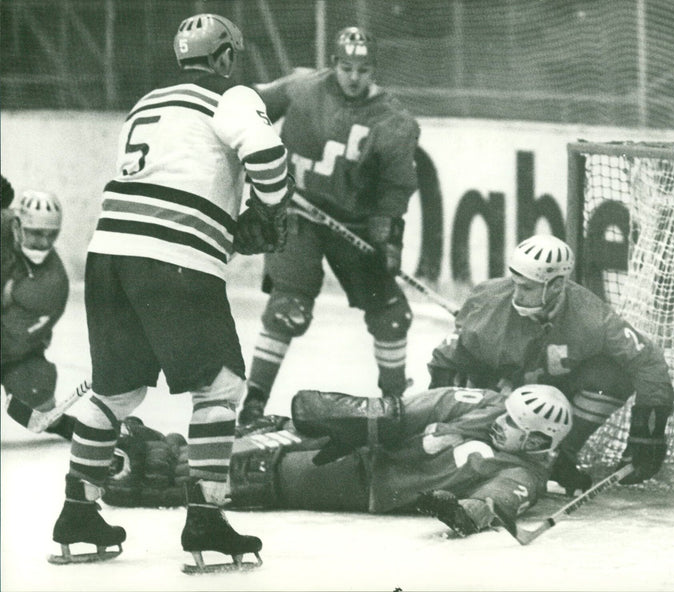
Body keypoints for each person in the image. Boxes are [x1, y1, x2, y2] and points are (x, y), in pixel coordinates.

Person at [48, 13, 292, 573]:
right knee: (221, 386)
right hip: (172, 259)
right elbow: (268, 157)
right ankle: (206, 519)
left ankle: (77, 513)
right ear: (226, 56)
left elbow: (171, 178)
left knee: (114, 393)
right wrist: (272, 206)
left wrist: (229, 222)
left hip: (108, 252)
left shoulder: (148, 101)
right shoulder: (232, 96)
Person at [237, 26, 420, 426]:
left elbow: (395, 189)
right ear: (334, 63)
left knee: (391, 315)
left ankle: (394, 405)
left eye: (364, 69)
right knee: (290, 308)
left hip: (350, 223)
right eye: (347, 67)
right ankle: (253, 401)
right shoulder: (302, 87)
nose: (354, 78)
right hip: (294, 215)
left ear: (375, 70)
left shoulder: (394, 121)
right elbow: (246, 108)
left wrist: (388, 240)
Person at [103, 383, 574, 539]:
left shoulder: (523, 472)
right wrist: (365, 418)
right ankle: (152, 448)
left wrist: (461, 512)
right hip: (368, 450)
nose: (502, 421)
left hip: (366, 486)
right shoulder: (487, 403)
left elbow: (496, 503)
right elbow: (412, 408)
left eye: (516, 427)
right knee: (271, 434)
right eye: (507, 414)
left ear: (536, 441)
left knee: (263, 473)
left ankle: (138, 478)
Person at [427, 234, 674, 492]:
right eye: (516, 283)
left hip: (550, 398)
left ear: (556, 286)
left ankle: (560, 457)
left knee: (613, 377)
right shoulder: (487, 300)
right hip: (496, 393)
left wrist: (649, 432)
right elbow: (447, 359)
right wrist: (438, 418)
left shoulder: (592, 316)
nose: (517, 293)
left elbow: (648, 361)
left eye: (528, 287)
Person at [1, 189, 74, 440]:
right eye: (36, 233)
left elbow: (9, 344)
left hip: (16, 353)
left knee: (37, 405)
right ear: (17, 225)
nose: (44, 243)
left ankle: (82, 433)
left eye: (51, 234)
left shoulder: (51, 283)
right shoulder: (4, 224)